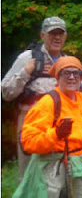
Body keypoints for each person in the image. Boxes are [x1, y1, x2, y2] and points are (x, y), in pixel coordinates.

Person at [13, 56, 82, 198]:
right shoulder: (47, 102)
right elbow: (28, 142)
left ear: (81, 77)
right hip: (51, 166)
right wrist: (56, 134)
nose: (72, 77)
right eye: (66, 73)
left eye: (76, 73)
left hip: (80, 164)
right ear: (57, 77)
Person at [1, 16, 67, 181]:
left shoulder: (67, 62)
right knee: (29, 177)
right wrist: (26, 72)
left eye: (60, 33)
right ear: (42, 35)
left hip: (58, 126)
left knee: (58, 177)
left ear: (65, 36)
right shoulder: (28, 58)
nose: (57, 37)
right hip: (31, 124)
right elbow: (6, 92)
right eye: (52, 33)